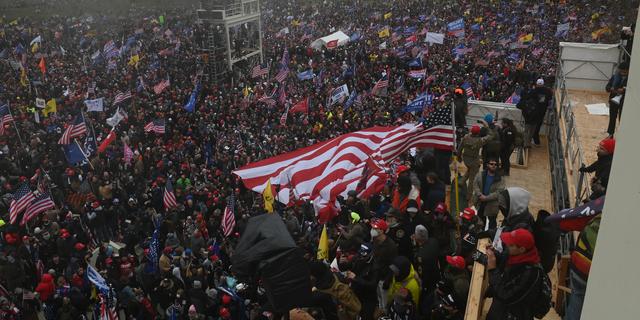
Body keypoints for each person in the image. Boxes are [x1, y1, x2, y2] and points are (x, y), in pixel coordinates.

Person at [485, 228, 545, 320]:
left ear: (521, 249)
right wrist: (493, 254)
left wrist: (492, 270)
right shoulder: (517, 255)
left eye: (511, 245)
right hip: (501, 309)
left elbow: (505, 295)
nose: (507, 245)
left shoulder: (531, 273)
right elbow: (504, 260)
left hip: (514, 314)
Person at [457, 122, 493, 197]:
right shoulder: (480, 141)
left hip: (466, 159)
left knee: (470, 170)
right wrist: (486, 127)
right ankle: (469, 195)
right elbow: (490, 136)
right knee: (472, 179)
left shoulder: (465, 137)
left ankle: (462, 181)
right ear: (478, 133)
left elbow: (460, 148)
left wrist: (459, 157)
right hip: (474, 160)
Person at [411, 225, 440, 314]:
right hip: (436, 274)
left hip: (427, 281)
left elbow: (421, 271)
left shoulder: (421, 255)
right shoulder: (434, 241)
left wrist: (414, 246)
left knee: (425, 301)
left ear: (417, 238)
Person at [472, 158, 506, 229]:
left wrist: (486, 198)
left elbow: (499, 192)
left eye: (496, 164)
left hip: (492, 205)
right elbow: (475, 184)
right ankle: (480, 236)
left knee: (492, 223)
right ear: (487, 165)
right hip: (480, 202)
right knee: (480, 222)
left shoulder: (501, 178)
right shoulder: (480, 174)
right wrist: (479, 194)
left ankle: (490, 238)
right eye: (491, 164)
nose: (494, 166)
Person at [519, 79, 552, 147]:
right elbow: (549, 98)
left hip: (533, 112)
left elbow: (527, 98)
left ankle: (529, 142)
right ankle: (535, 141)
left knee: (529, 129)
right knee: (537, 126)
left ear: (537, 84)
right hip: (542, 111)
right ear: (543, 84)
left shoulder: (534, 91)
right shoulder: (548, 91)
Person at [605, 62, 629, 136]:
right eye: (621, 71)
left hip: (624, 102)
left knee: (622, 119)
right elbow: (607, 88)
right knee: (612, 118)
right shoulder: (615, 77)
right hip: (614, 101)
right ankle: (610, 133)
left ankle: (622, 135)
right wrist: (612, 89)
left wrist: (624, 90)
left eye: (624, 72)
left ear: (628, 71)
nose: (622, 73)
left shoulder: (630, 79)